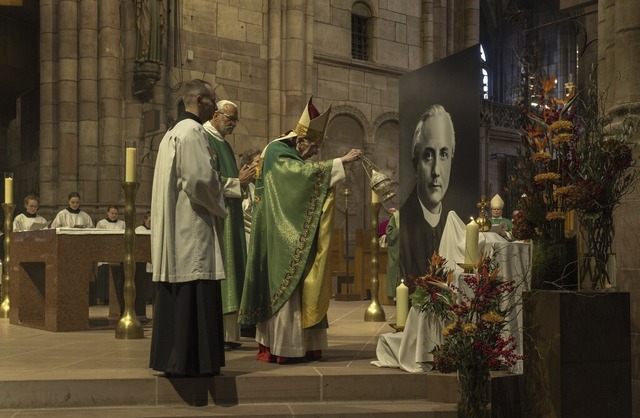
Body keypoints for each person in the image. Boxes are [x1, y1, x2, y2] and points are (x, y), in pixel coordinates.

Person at [239, 96, 362, 364]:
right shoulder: (276, 152)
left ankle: (305, 345)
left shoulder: (288, 152)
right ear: (299, 140)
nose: (314, 153)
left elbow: (301, 180)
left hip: (291, 230)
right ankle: (286, 346)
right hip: (280, 236)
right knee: (288, 283)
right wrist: (339, 162)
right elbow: (296, 179)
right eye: (313, 147)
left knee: (304, 282)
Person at [149, 79, 227, 377]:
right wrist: (221, 200)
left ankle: (174, 359)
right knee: (195, 281)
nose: (215, 105)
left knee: (178, 292)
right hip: (191, 227)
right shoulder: (193, 132)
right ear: (199, 99)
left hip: (177, 228)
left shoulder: (171, 133)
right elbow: (199, 181)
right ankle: (195, 361)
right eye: (212, 100)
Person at [203, 99, 258, 351]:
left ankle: (230, 334)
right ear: (216, 114)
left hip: (230, 215)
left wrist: (242, 181)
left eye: (236, 120)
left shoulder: (223, 145)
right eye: (230, 119)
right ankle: (222, 334)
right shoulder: (203, 138)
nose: (234, 124)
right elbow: (206, 181)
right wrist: (238, 181)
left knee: (234, 272)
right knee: (224, 273)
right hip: (217, 219)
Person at [400, 104, 455, 279]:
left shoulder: (454, 225)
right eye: (428, 156)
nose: (436, 171)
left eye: (444, 154)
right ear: (416, 164)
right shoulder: (403, 229)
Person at [95, 206, 126, 305]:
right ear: (107, 213)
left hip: (118, 252)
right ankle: (104, 298)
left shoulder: (122, 224)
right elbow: (98, 237)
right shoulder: (101, 223)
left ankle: (116, 298)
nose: (114, 215)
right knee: (105, 274)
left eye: (116, 214)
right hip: (105, 252)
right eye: (112, 213)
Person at [240, 148, 262, 243]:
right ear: (247, 165)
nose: (262, 165)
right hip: (246, 234)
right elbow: (245, 208)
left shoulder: (263, 185)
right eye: (258, 162)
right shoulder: (244, 186)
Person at [385, 208, 400, 298]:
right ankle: (396, 295)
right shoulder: (396, 216)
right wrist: (401, 231)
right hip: (398, 249)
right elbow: (389, 232)